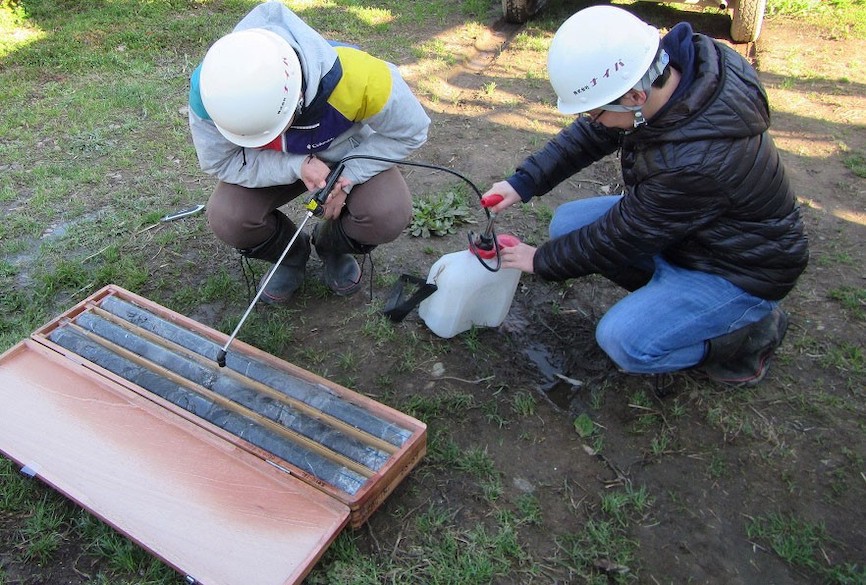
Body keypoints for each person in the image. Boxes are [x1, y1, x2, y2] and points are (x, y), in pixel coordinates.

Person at [482, 6, 809, 386]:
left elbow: (622, 236)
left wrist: (541, 260)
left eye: (596, 112)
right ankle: (672, 301)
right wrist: (523, 183)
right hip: (692, 233)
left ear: (635, 96)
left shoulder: (696, 163)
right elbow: (595, 135)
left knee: (625, 343)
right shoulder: (672, 81)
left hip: (741, 269)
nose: (592, 121)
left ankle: (745, 337)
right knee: (567, 224)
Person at [188, 1, 430, 301]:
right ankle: (289, 254)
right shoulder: (212, 91)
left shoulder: (362, 76)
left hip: (347, 155)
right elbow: (220, 161)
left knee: (387, 214)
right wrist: (295, 165)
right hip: (276, 165)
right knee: (229, 217)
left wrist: (348, 175)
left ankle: (333, 245)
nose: (270, 137)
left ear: (298, 96)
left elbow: (412, 130)